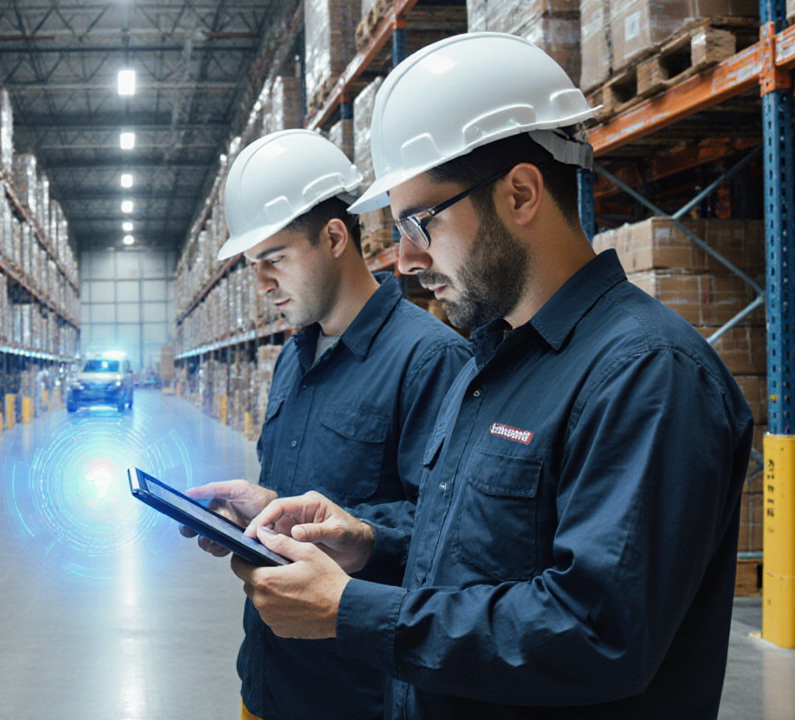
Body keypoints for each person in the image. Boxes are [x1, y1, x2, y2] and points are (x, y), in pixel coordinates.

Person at [231, 33, 754, 719]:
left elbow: (596, 632)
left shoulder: (648, 377)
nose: (406, 260)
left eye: (420, 222)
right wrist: (365, 540)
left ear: (521, 193)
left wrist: (351, 612)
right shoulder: (492, 366)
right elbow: (484, 550)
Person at [180, 129, 471, 720]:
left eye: (274, 260)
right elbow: (309, 499)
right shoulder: (294, 355)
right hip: (267, 680)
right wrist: (260, 515)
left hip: (353, 694)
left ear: (335, 236)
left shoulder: (430, 359)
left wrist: (354, 535)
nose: (261, 284)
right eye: (251, 265)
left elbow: (452, 536)